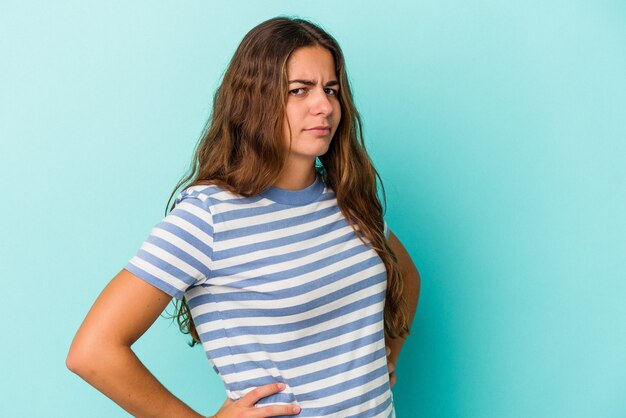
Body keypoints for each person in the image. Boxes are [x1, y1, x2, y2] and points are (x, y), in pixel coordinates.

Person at [66, 16, 420, 418]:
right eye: (299, 91)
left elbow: (406, 275)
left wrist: (388, 355)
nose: (324, 106)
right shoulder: (208, 216)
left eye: (331, 89)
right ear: (255, 101)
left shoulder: (345, 196)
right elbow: (92, 351)